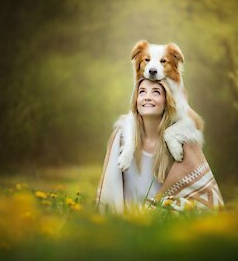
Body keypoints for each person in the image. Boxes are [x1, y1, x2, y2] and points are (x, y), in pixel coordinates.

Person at [96, 78, 224, 214]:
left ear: (167, 101)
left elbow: (204, 197)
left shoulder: (182, 144)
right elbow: (110, 191)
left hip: (165, 225)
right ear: (136, 101)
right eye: (142, 92)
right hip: (129, 224)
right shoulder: (120, 140)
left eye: (156, 92)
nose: (147, 97)